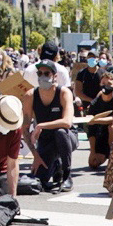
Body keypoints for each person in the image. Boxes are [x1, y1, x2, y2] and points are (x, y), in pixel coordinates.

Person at [23, 60, 76, 192]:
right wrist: (35, 155)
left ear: (55, 76)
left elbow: (67, 122)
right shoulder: (30, 95)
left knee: (60, 132)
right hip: (46, 141)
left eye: (47, 73)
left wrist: (41, 125)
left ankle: (67, 175)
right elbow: (24, 127)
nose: (43, 77)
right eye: (40, 73)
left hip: (67, 138)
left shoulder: (64, 93)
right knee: (38, 180)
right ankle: (55, 165)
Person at [84, 72, 113, 169]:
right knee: (93, 163)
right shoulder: (97, 100)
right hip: (101, 135)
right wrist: (93, 152)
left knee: (111, 127)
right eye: (103, 83)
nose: (106, 86)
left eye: (109, 84)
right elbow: (91, 125)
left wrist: (96, 120)